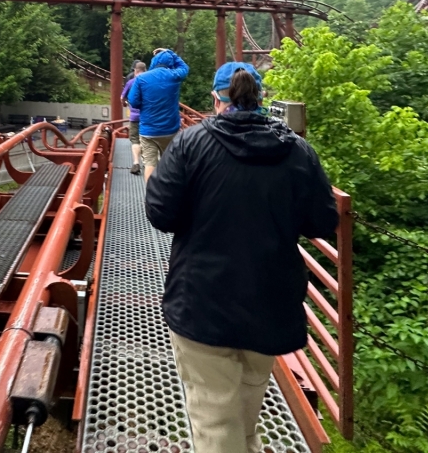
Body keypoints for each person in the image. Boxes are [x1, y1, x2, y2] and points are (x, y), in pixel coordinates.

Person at [144, 62, 338, 453]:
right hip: (270, 304)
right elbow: (323, 221)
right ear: (262, 99)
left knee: (216, 423)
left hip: (202, 301)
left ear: (216, 99)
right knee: (246, 416)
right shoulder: (297, 150)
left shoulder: (190, 143)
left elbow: (160, 213)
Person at [127, 48, 189, 182]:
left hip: (148, 130)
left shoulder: (142, 78)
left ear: (153, 61)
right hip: (170, 130)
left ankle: (150, 198)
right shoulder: (174, 76)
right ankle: (167, 195)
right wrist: (171, 52)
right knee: (169, 163)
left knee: (150, 163)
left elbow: (133, 101)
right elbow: (184, 67)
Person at [120, 61, 148, 175]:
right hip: (147, 116)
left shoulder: (131, 82)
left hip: (135, 116)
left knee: (135, 140)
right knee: (146, 139)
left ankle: (136, 163)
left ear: (135, 70)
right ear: (145, 70)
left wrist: (125, 104)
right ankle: (148, 163)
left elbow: (122, 98)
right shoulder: (150, 82)